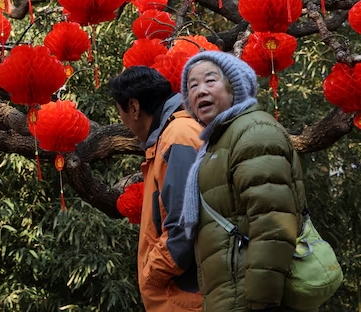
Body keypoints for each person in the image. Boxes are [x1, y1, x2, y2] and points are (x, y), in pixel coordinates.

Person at [177, 50, 307, 312]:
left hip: (251, 300)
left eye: (210, 81)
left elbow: (272, 221)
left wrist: (263, 301)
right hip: (231, 296)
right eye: (193, 86)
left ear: (234, 87)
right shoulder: (217, 144)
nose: (200, 91)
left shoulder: (254, 131)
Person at [108, 65, 204, 311]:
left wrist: (151, 273)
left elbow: (183, 226)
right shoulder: (172, 135)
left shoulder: (178, 136)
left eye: (121, 112)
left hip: (187, 299)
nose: (124, 122)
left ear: (134, 107)